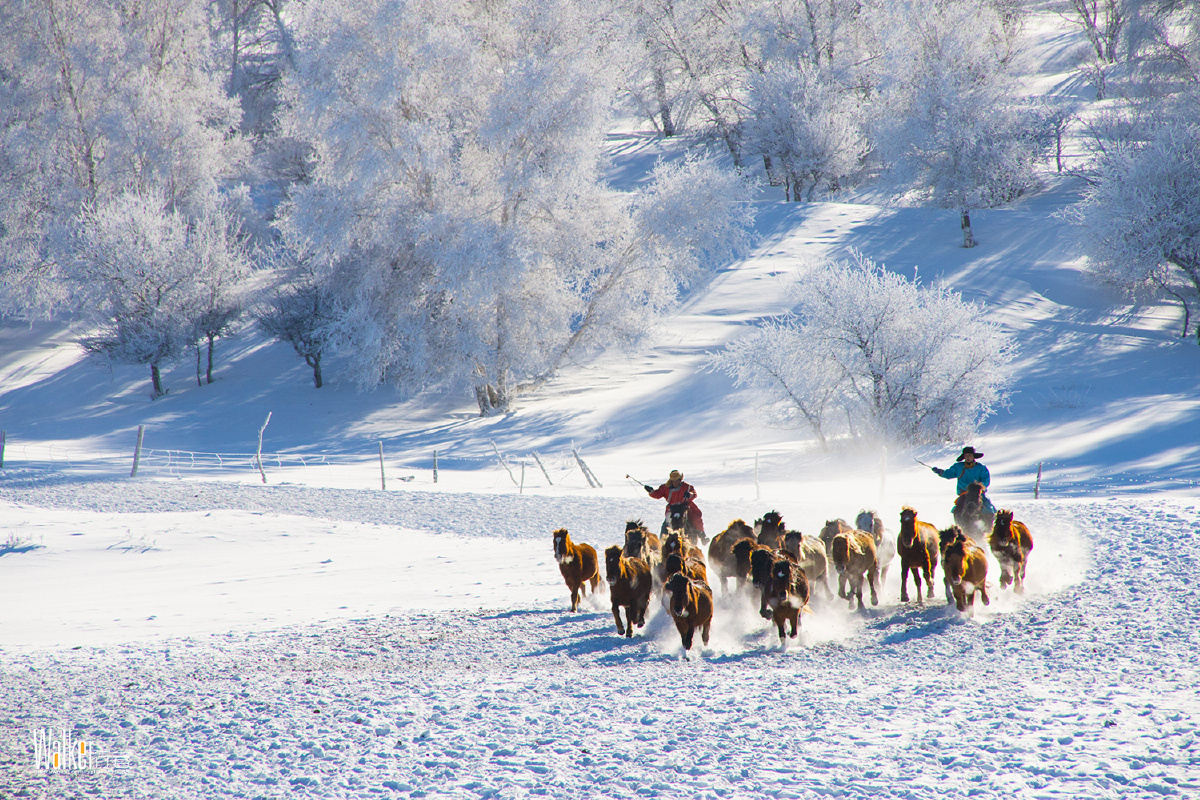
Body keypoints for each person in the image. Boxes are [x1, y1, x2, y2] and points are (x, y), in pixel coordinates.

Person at [931, 446, 996, 515]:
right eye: (966, 455)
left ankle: (990, 522)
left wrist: (978, 487)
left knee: (988, 508)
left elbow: (985, 481)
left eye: (970, 455)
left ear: (974, 456)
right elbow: (948, 474)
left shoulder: (981, 467)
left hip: (978, 494)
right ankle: (959, 524)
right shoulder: (958, 467)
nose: (968, 457)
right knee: (957, 510)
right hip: (964, 493)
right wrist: (940, 472)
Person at [644, 470, 706, 541]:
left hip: (685, 507)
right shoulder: (665, 487)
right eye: (673, 481)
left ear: (680, 480)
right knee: (667, 522)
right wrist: (651, 491)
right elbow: (658, 494)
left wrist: (690, 494)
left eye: (677, 481)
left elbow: (694, 493)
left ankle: (702, 535)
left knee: (696, 518)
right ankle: (662, 540)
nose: (675, 483)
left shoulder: (687, 486)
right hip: (672, 509)